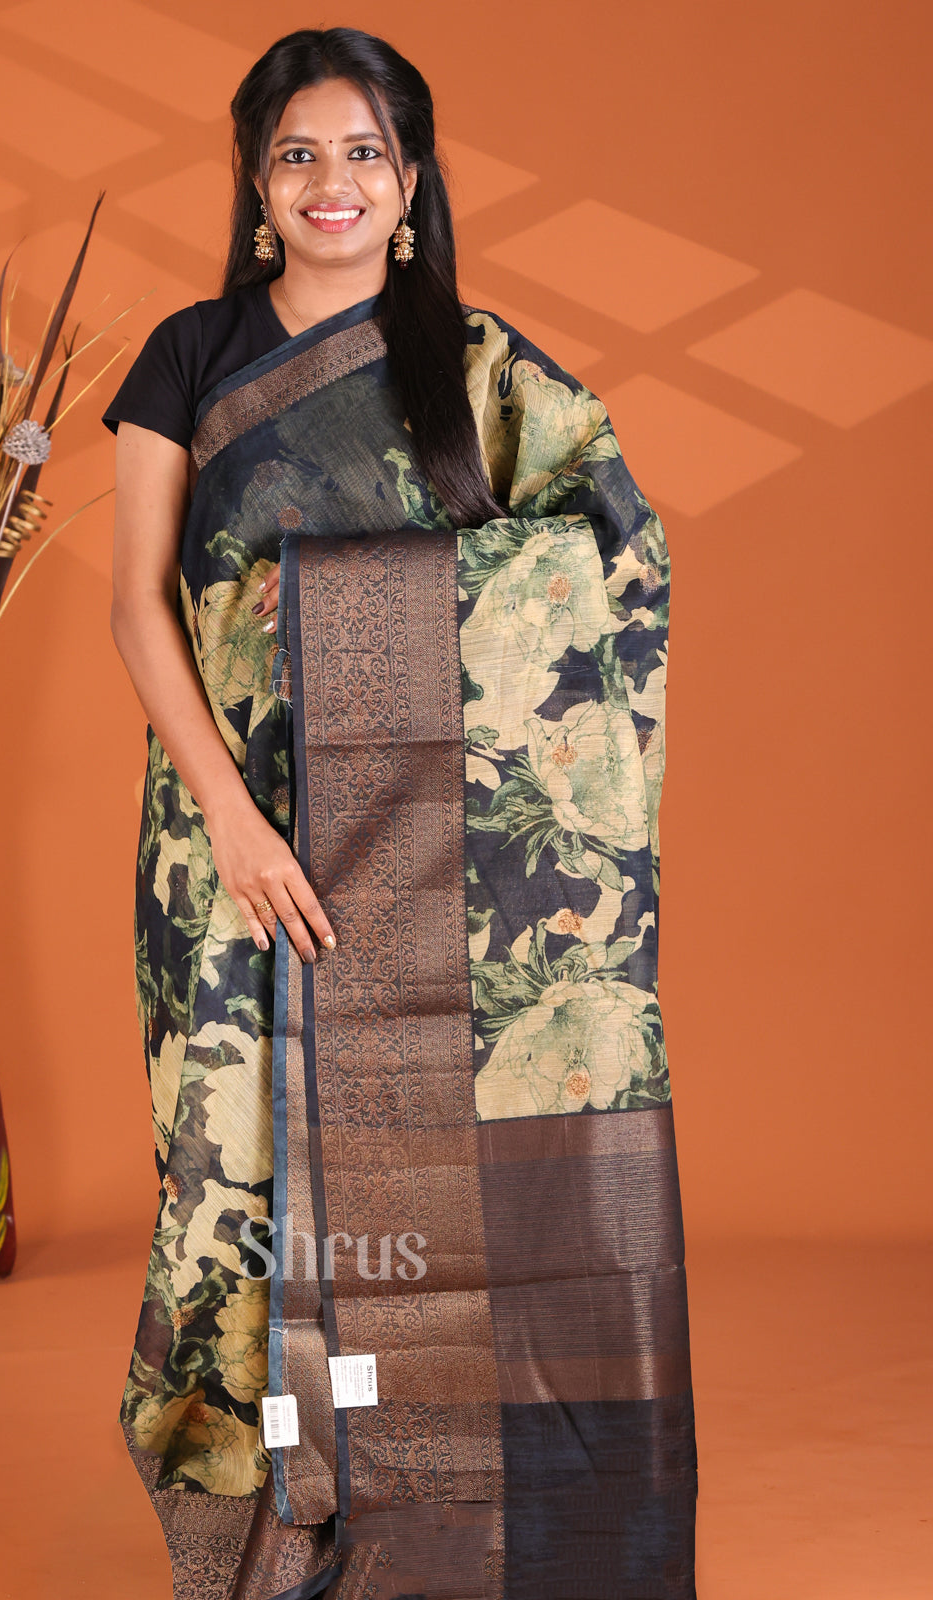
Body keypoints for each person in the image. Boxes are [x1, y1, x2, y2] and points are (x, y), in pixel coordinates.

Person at [104, 25, 697, 1600]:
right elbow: (139, 606)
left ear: (413, 180)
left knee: (448, 1204)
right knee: (238, 1187)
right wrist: (233, 822)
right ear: (255, 182)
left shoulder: (479, 369)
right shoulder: (190, 356)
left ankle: (449, 1537)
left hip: (444, 873)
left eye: (364, 152)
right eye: (297, 154)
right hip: (231, 856)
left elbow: (614, 559)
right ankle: (270, 1540)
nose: (333, 182)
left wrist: (357, 620)